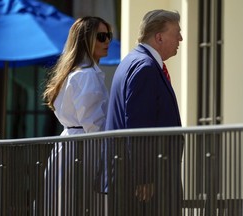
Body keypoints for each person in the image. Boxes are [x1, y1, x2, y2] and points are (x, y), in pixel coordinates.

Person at [105, 9, 184, 216]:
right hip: (146, 184)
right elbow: (138, 124)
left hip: (138, 178)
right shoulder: (145, 67)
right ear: (159, 37)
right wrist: (144, 177)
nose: (181, 39)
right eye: (177, 33)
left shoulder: (133, 61)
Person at [42, 16, 112, 215]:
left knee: (63, 204)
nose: (107, 41)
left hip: (70, 146)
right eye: (101, 36)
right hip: (84, 148)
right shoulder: (86, 75)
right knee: (79, 204)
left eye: (108, 36)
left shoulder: (74, 72)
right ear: (86, 39)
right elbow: (94, 124)